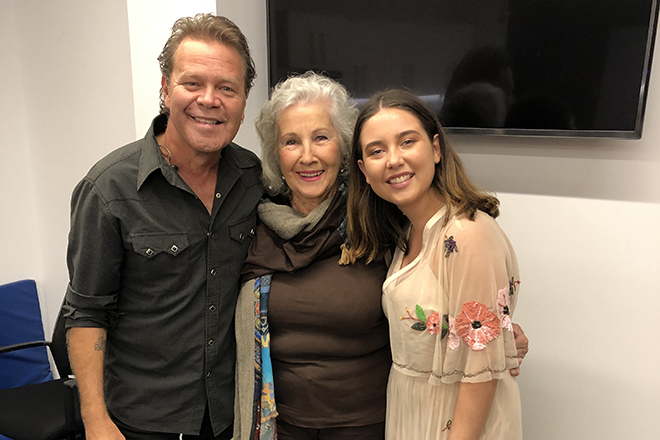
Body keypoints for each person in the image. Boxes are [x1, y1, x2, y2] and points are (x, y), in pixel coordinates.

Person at [64, 14, 262, 439]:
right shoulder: (109, 189)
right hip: (141, 422)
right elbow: (85, 313)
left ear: (245, 101)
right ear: (165, 88)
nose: (209, 100)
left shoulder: (252, 177)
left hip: (231, 416)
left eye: (227, 88)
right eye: (193, 83)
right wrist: (96, 421)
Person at [344, 89, 523, 439]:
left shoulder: (467, 234)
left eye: (407, 142)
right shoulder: (406, 232)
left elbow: (480, 371)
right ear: (365, 171)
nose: (393, 160)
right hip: (411, 408)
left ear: (436, 149)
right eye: (377, 151)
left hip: (458, 420)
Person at [233, 72, 391, 440]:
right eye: (291, 141)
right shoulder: (253, 224)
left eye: (321, 137)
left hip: (367, 424)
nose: (307, 156)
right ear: (276, 153)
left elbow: (431, 290)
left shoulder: (377, 219)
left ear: (344, 145)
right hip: (278, 424)